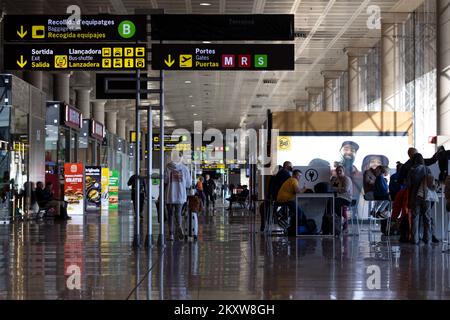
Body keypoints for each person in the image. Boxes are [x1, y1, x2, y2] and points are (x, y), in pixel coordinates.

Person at [407, 153, 435, 245]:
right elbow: (431, 182)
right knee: (427, 217)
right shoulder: (427, 169)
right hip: (426, 196)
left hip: (415, 196)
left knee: (415, 217)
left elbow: (408, 185)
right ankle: (428, 239)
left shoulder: (411, 170)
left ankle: (415, 239)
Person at [165, 156, 191, 241]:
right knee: (178, 213)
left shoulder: (168, 167)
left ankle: (171, 234)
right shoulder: (185, 168)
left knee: (170, 214)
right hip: (180, 194)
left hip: (169, 194)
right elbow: (188, 184)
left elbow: (165, 181)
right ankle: (179, 226)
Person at [276, 169, 306, 234]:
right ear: (294, 175)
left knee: (295, 212)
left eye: (300, 176)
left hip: (281, 199)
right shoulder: (293, 180)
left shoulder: (290, 180)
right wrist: (304, 189)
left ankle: (286, 220)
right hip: (286, 200)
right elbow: (298, 192)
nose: (299, 177)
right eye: (298, 175)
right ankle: (297, 230)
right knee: (299, 212)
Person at [331, 165, 353, 233]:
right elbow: (330, 187)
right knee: (331, 203)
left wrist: (334, 189)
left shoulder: (346, 179)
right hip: (338, 197)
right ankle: (337, 224)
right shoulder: (335, 179)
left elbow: (345, 189)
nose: (339, 172)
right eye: (337, 171)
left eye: (340, 171)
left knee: (336, 203)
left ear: (343, 171)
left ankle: (344, 225)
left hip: (346, 198)